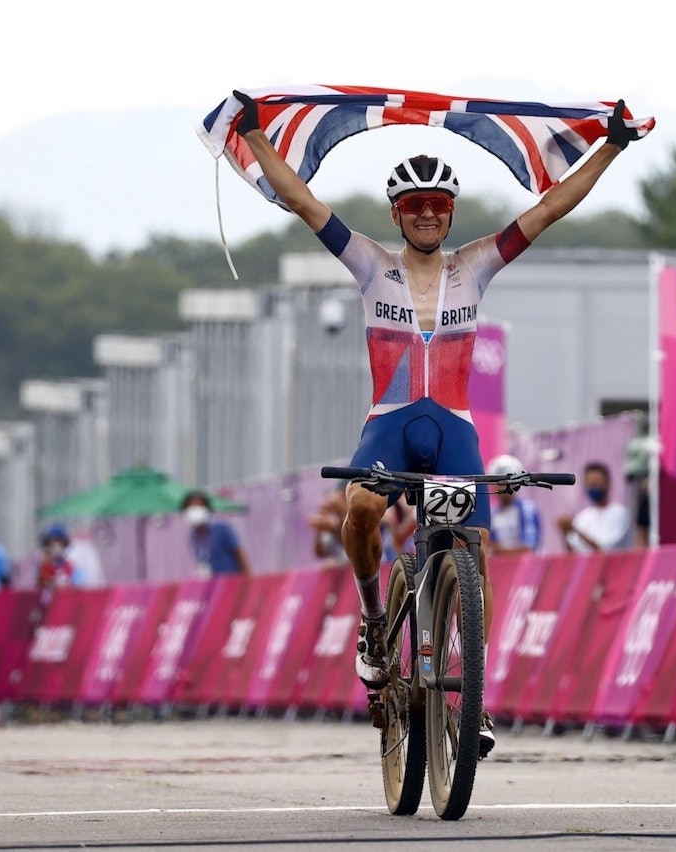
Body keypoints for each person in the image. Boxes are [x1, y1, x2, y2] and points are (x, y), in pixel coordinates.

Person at [232, 90, 643, 756]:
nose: (427, 215)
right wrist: (254, 136)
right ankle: (373, 623)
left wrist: (614, 145)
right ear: (398, 215)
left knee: (475, 553)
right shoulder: (371, 263)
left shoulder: (475, 265)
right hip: (390, 425)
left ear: (450, 213)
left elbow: (550, 207)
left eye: (439, 206)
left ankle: (473, 697)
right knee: (360, 510)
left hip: (452, 428)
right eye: (415, 206)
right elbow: (305, 203)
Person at [557, 462, 631, 553]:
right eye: (591, 484)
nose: (594, 487)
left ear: (608, 484)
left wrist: (574, 530)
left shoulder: (620, 513)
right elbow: (573, 554)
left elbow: (604, 550)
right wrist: (565, 533)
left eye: (598, 483)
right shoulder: (583, 517)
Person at [181, 490, 252, 577]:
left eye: (198, 507)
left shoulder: (222, 528)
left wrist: (249, 580)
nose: (194, 511)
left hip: (233, 580)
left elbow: (240, 554)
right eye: (190, 508)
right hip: (214, 584)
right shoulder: (193, 536)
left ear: (207, 509)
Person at [486, 454, 543, 554]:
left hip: (525, 568)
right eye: (498, 483)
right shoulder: (491, 514)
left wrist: (495, 549)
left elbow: (528, 550)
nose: (502, 487)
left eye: (507, 483)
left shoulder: (527, 509)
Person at [36, 523, 75, 592]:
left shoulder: (70, 566)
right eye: (52, 545)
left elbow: (77, 587)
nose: (56, 548)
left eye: (59, 544)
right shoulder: (43, 567)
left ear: (64, 545)